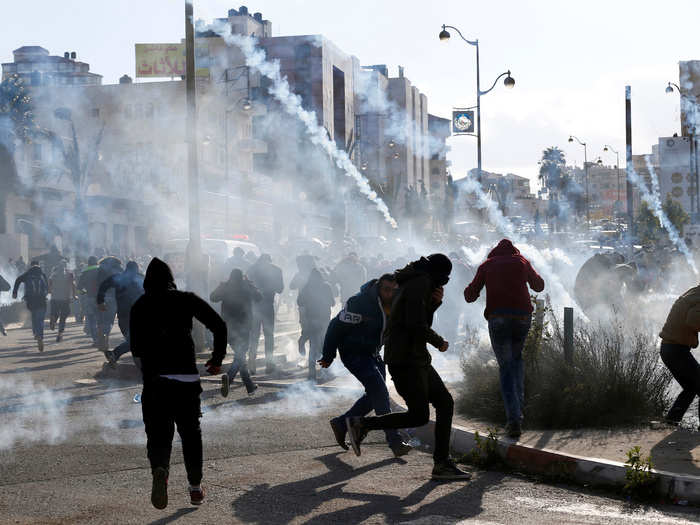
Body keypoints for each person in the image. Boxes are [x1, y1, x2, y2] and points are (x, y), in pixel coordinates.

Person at [346, 254, 471, 481]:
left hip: (414, 357)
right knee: (419, 415)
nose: (443, 284)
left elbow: (418, 319)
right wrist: (438, 341)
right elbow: (415, 324)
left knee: (444, 402)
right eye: (444, 279)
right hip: (406, 359)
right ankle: (361, 424)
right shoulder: (420, 283)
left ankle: (442, 463)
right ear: (438, 275)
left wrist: (433, 304)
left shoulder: (416, 281)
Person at [130, 257, 227, 510]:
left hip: (155, 381)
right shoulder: (186, 299)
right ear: (171, 278)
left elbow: (136, 349)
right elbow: (219, 325)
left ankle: (160, 469)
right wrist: (216, 360)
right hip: (186, 379)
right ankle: (195, 488)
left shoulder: (139, 305)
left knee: (158, 434)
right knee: (190, 434)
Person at [319, 273, 412, 458]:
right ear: (379, 288)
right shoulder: (360, 302)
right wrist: (328, 355)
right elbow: (335, 326)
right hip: (354, 353)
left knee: (374, 395)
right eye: (386, 289)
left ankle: (341, 423)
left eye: (394, 290)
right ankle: (394, 441)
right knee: (380, 393)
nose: (390, 294)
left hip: (374, 354)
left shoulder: (397, 302)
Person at [464, 239, 545, 438]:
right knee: (516, 362)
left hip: (498, 318)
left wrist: (473, 286)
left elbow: (470, 295)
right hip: (522, 318)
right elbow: (539, 286)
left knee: (506, 367)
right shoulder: (522, 261)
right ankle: (518, 413)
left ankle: (514, 420)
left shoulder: (487, 265)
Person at [210, 268, 261, 397]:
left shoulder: (226, 286)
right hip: (243, 327)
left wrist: (223, 286)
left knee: (240, 356)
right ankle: (229, 377)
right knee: (240, 356)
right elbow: (259, 297)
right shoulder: (247, 286)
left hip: (228, 327)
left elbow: (213, 297)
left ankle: (250, 387)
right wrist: (250, 284)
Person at [658, 286, 700, 426]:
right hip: (676, 350)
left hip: (669, 348)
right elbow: (693, 320)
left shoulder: (693, 293)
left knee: (691, 387)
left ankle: (672, 419)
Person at [97, 261, 144, 365]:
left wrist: (100, 301)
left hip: (123, 316)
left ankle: (114, 357)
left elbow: (103, 286)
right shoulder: (141, 277)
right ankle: (114, 354)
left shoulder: (119, 277)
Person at [246, 254, 284, 375]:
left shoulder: (251, 269)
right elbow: (280, 289)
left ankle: (251, 363)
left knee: (254, 335)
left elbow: (246, 287)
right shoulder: (276, 270)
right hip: (267, 305)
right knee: (269, 336)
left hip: (254, 306)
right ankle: (269, 364)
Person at [297, 268, 335, 380]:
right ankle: (326, 372)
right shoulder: (326, 286)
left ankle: (312, 373)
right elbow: (332, 303)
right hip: (324, 319)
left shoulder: (306, 287)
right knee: (324, 346)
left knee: (313, 346)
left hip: (311, 319)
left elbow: (299, 302)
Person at [12, 260, 49, 351]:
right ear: (38, 265)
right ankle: (40, 335)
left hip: (31, 300)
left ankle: (36, 333)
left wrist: (15, 292)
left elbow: (18, 280)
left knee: (34, 316)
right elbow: (47, 287)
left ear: (31, 265)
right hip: (41, 300)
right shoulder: (42, 274)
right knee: (40, 319)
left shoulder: (27, 274)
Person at [96, 256, 123, 351]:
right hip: (113, 297)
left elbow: (97, 283)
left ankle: (101, 337)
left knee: (100, 318)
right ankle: (106, 336)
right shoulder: (119, 269)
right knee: (110, 319)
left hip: (101, 296)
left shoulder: (100, 269)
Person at [48, 261, 75, 342]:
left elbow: (49, 283)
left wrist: (50, 291)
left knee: (55, 313)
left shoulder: (53, 274)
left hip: (54, 298)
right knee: (63, 316)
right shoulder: (69, 274)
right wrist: (74, 295)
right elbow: (73, 284)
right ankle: (60, 334)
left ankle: (53, 319)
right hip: (65, 299)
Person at [77, 256, 100, 345]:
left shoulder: (85, 272)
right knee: (101, 319)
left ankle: (95, 340)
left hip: (89, 298)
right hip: (101, 298)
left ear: (88, 263)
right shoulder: (101, 270)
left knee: (91, 319)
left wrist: (84, 293)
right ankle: (103, 335)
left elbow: (79, 288)